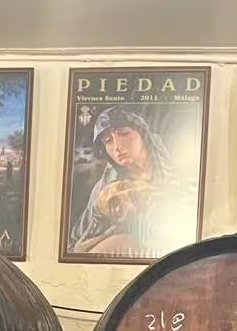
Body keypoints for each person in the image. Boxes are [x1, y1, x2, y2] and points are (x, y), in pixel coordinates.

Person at [71, 107, 176, 258]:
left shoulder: (177, 169)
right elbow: (76, 244)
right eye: (108, 141)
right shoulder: (104, 190)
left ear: (142, 133)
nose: (117, 147)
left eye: (124, 134)